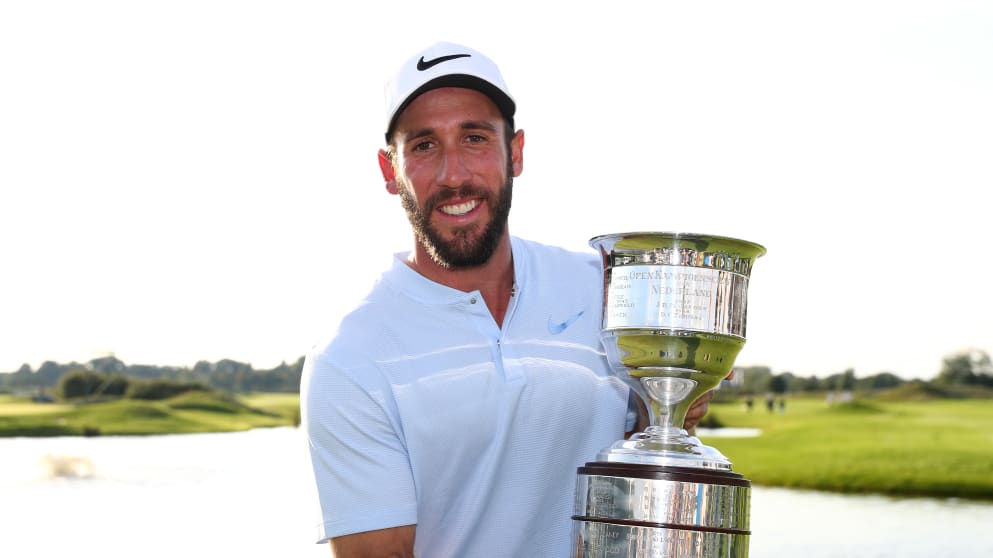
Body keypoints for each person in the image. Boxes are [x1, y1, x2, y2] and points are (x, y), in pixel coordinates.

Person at [300, 41, 715, 558]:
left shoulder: (610, 291)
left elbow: (651, 450)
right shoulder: (350, 359)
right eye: (424, 146)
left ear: (514, 153)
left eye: (474, 138)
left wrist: (673, 403)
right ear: (390, 171)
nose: (454, 175)